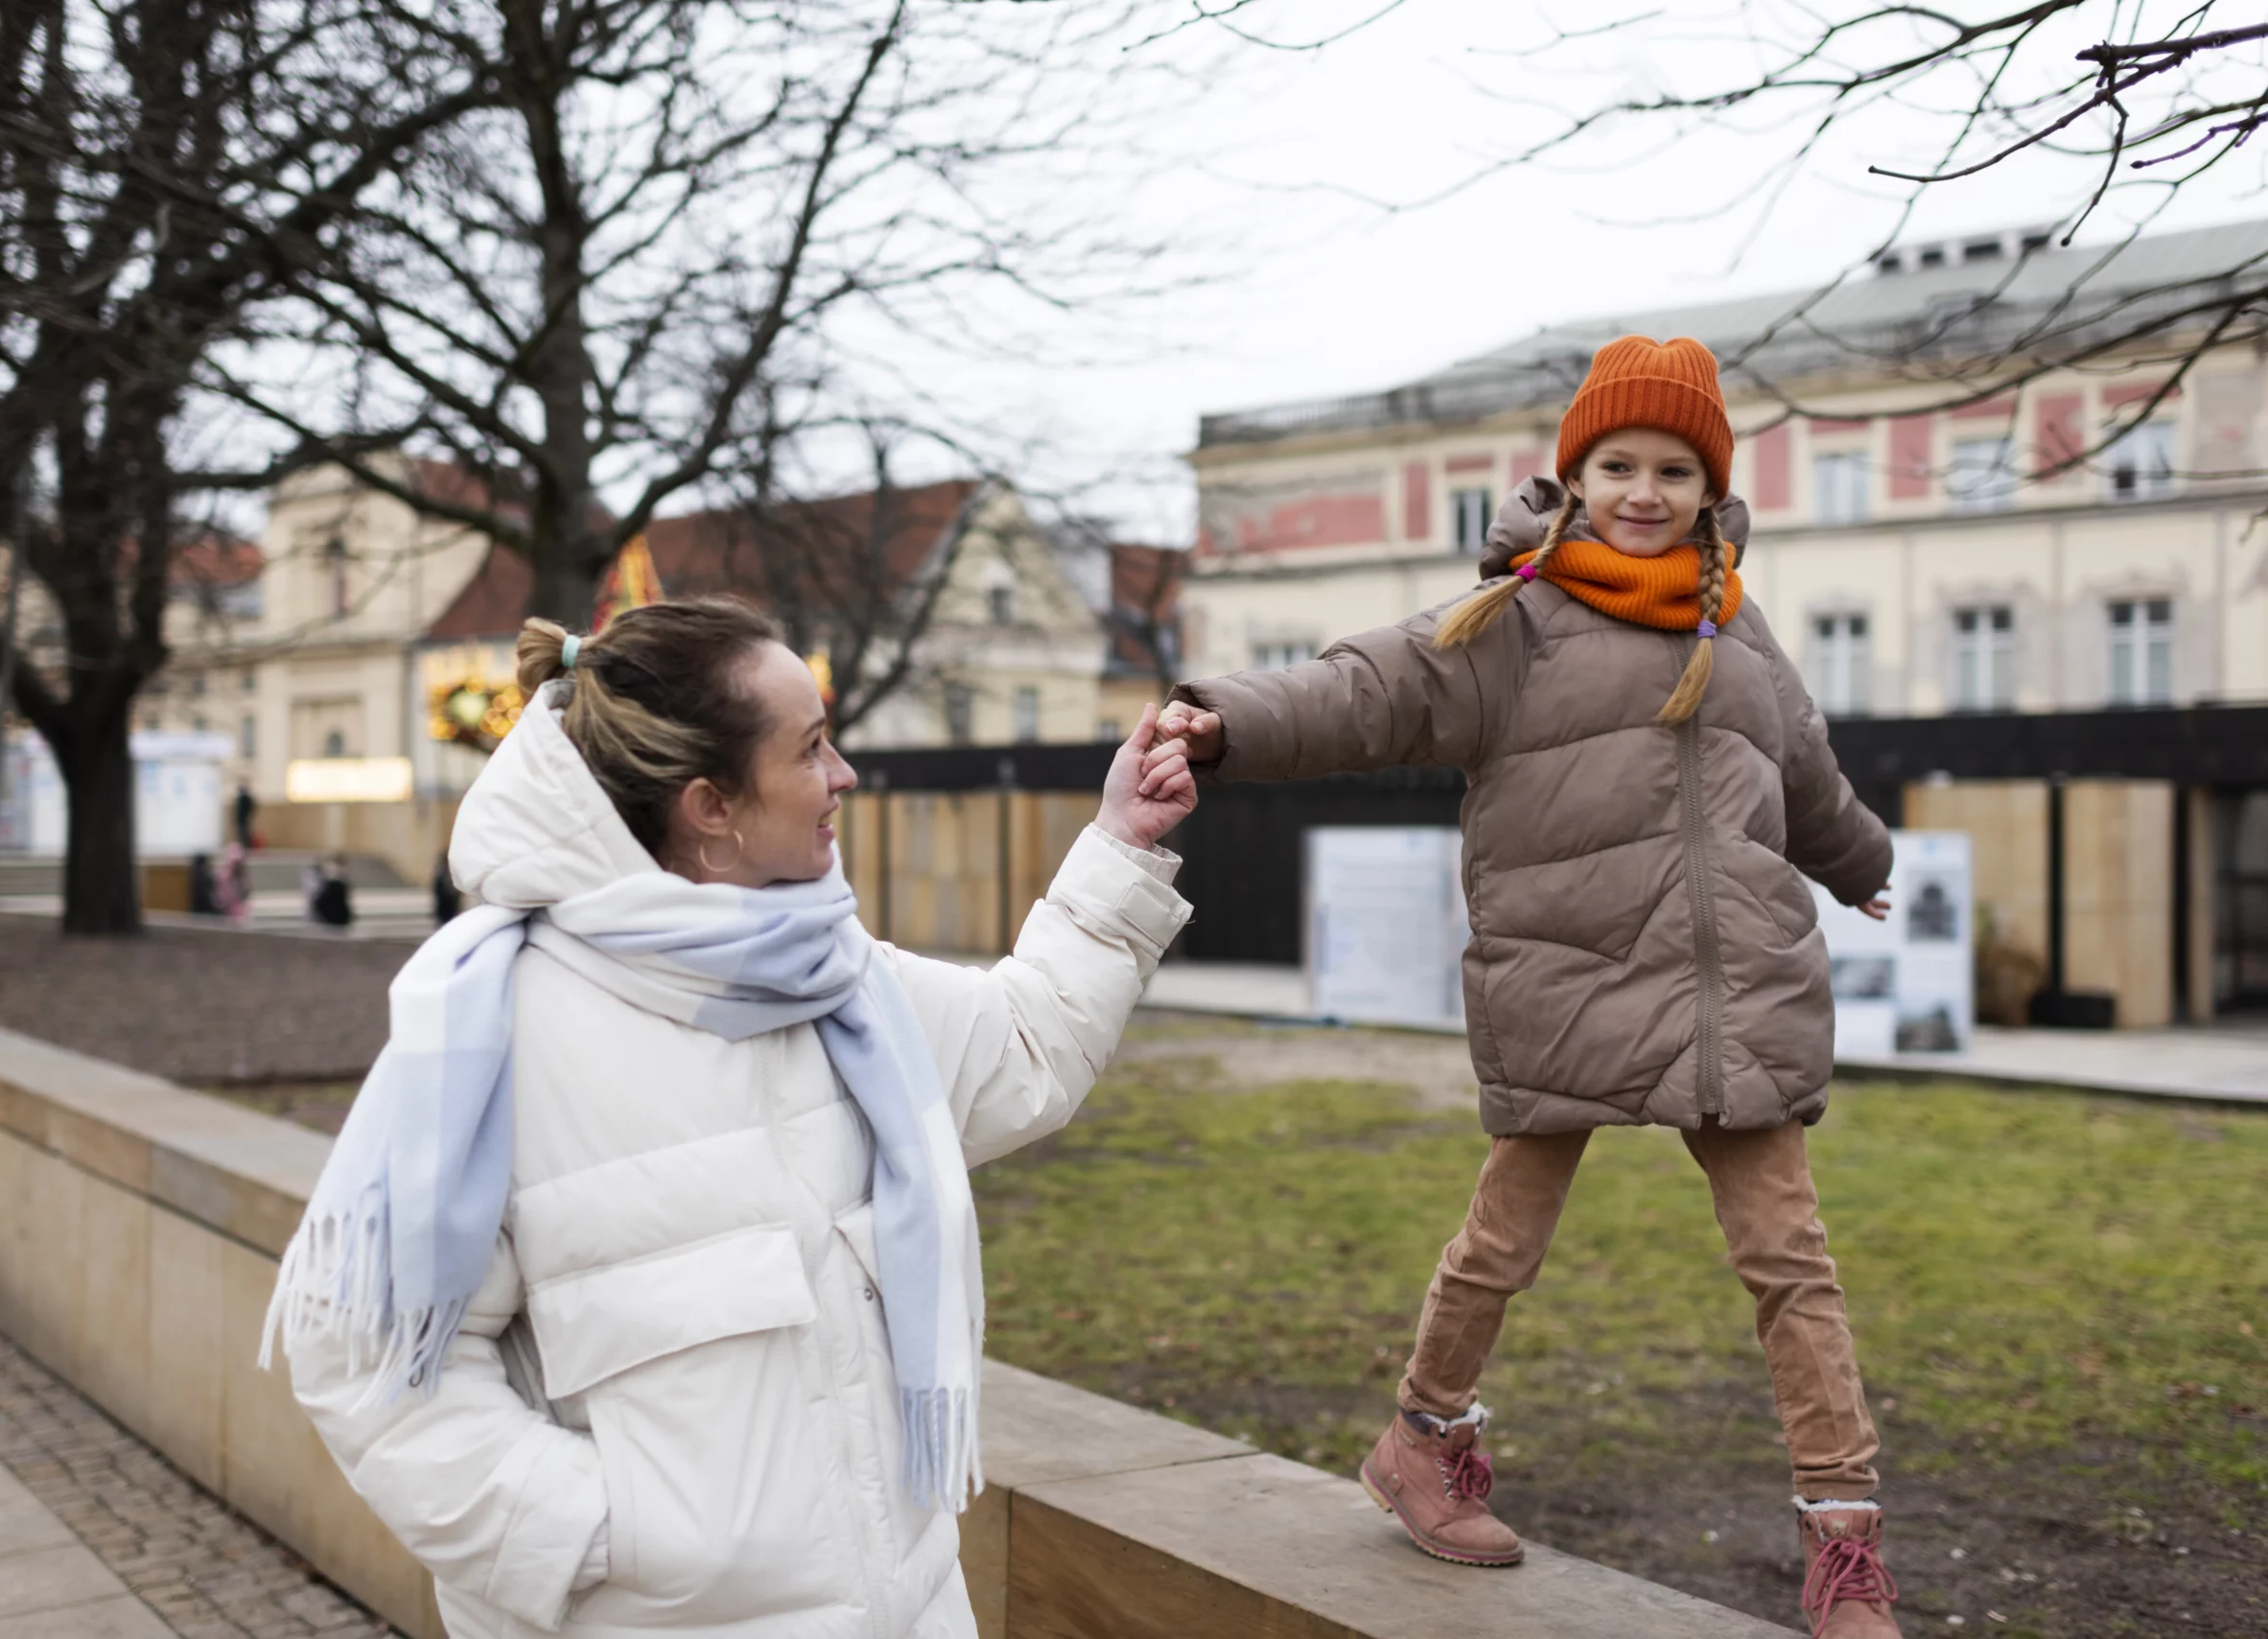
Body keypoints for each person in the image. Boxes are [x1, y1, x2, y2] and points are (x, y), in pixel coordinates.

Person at [1156, 338, 1903, 1639]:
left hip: (1740, 996)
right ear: (1574, 474)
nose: (1646, 490)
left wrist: (1863, 861)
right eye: (1619, 463)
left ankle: (1845, 1545)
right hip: (1568, 973)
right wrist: (1228, 720)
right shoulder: (1516, 622)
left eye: (1676, 468)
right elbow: (1371, 688)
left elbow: (1804, 766)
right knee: (1505, 1241)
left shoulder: (1737, 625)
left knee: (1792, 1260)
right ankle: (1422, 1441)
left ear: (1711, 487)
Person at [263, 598, 1196, 1638]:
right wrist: (603, 1537)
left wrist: (1122, 840)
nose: (845, 774)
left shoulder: (839, 980)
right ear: (712, 805)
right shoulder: (495, 1030)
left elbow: (1026, 1046)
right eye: (810, 748)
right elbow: (362, 1360)